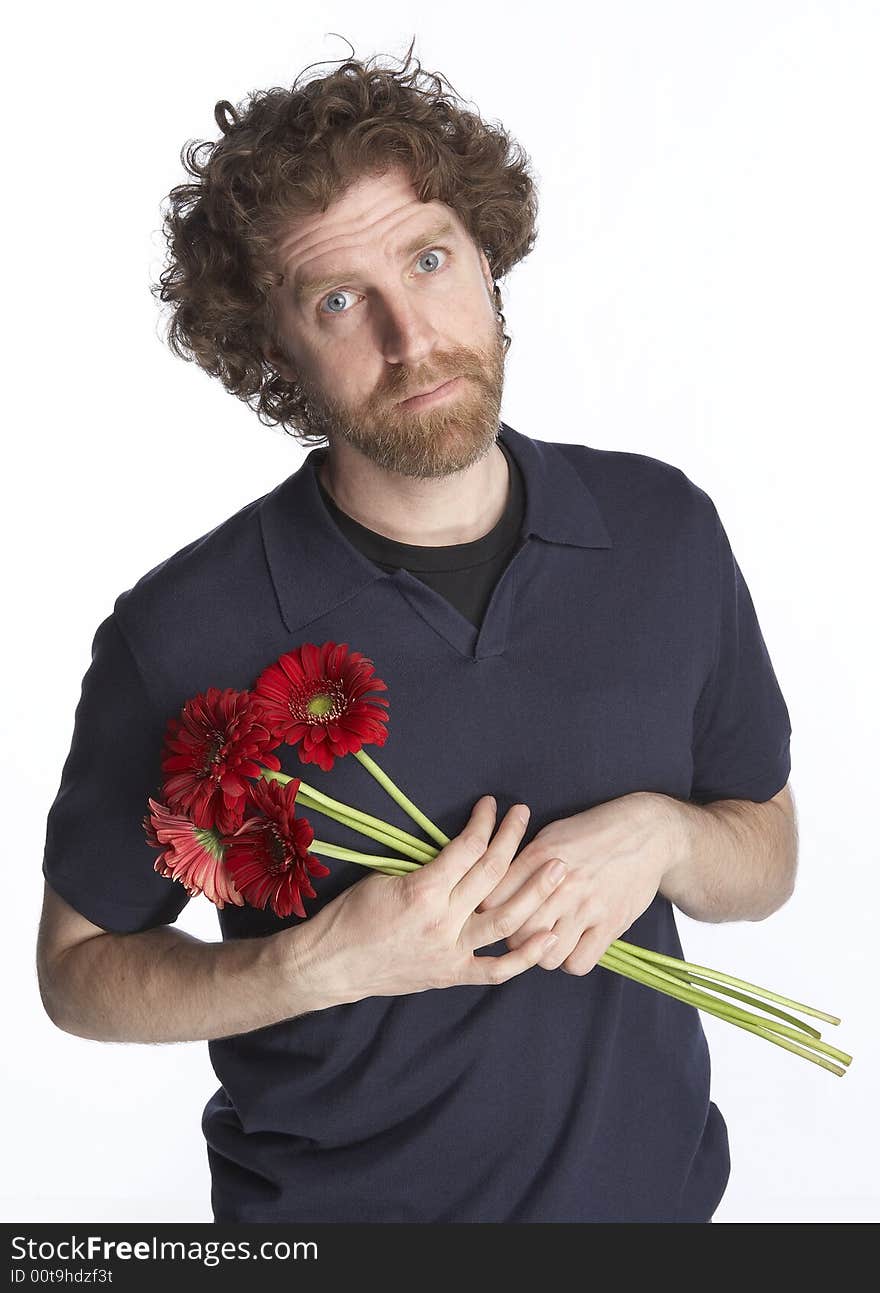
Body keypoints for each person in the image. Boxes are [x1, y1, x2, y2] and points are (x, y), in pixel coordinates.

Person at [36, 41, 797, 1224]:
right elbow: (79, 977)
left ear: (486, 259)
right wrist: (312, 966)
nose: (410, 336)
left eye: (430, 260)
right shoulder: (182, 632)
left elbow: (765, 852)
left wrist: (664, 840)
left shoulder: (662, 532)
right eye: (339, 300)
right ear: (272, 349)